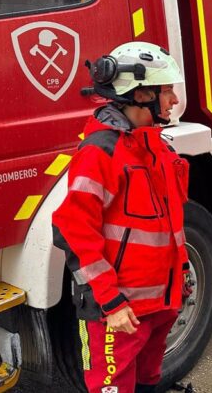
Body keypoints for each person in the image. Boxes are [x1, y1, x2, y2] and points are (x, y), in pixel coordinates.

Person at [53, 42, 191, 393]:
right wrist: (110, 301)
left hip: (160, 304)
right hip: (117, 313)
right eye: (167, 92)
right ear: (140, 94)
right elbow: (72, 229)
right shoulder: (100, 152)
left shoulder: (158, 148)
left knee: (148, 381)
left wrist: (182, 276)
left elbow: (169, 226)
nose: (174, 100)